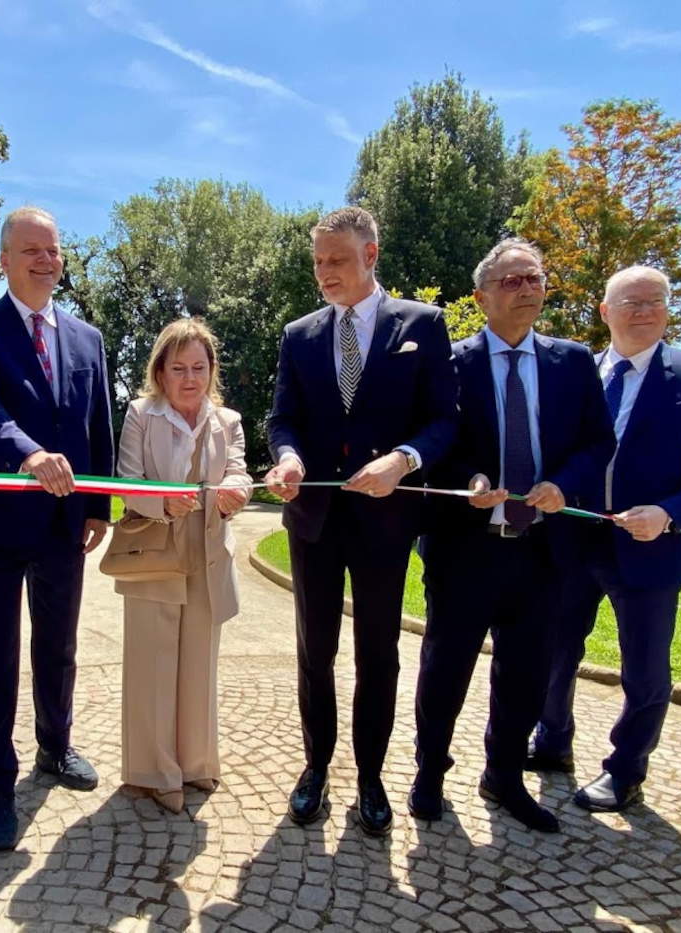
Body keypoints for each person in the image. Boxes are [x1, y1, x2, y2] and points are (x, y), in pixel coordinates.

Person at [410, 239, 615, 833]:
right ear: (481, 298)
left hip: (545, 553)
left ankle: (503, 777)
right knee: (445, 668)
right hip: (465, 549)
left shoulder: (573, 362)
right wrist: (467, 479)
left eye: (534, 278)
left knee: (526, 673)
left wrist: (563, 483)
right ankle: (430, 773)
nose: (526, 289)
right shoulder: (451, 363)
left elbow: (598, 442)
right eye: (511, 281)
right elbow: (435, 441)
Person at [264, 206, 457, 835]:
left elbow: (444, 420)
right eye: (318, 261)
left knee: (378, 654)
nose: (325, 272)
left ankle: (370, 777)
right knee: (314, 651)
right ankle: (316, 767)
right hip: (313, 521)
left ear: (370, 255)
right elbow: (282, 419)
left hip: (386, 523)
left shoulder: (422, 325)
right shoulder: (299, 335)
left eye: (337, 260)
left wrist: (403, 460)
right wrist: (288, 457)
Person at [530, 266, 681, 811]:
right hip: (574, 541)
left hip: (650, 547)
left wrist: (667, 513)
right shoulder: (578, 374)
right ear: (605, 311)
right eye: (631, 302)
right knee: (555, 649)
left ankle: (625, 769)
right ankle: (552, 740)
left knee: (644, 668)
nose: (644, 311)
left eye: (655, 301)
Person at [0, 206, 114, 850]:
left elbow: (97, 423)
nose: (46, 261)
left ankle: (55, 746)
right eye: (31, 251)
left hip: (62, 523)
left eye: (53, 250)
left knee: (58, 646)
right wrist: (28, 453)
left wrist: (96, 505)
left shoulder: (86, 338)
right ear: (4, 261)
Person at [114, 318, 252, 813]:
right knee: (152, 666)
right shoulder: (140, 415)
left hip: (208, 553)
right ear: (160, 372)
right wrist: (161, 502)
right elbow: (127, 481)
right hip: (154, 550)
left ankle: (196, 764)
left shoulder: (228, 420)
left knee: (199, 664)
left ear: (211, 370)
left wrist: (238, 491)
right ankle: (155, 772)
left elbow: (239, 470)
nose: (189, 378)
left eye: (198, 367)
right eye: (178, 368)